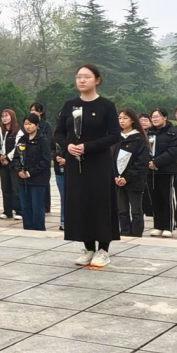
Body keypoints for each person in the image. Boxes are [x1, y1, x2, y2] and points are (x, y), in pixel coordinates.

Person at [56, 65, 123, 264]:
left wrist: (88, 147)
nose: (82, 80)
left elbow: (114, 135)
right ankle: (88, 247)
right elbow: (58, 133)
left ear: (97, 80)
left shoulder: (106, 106)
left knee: (100, 203)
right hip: (75, 163)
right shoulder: (70, 105)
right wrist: (68, 146)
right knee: (80, 203)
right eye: (79, 77)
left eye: (87, 77)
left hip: (99, 163)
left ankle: (103, 249)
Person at [114, 107, 149, 238]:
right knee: (121, 210)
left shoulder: (139, 138)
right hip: (118, 179)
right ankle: (124, 232)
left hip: (134, 179)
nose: (122, 121)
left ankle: (136, 233)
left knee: (136, 210)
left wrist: (127, 177)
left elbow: (141, 162)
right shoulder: (116, 137)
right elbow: (110, 158)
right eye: (119, 118)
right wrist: (115, 176)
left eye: (125, 118)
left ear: (133, 120)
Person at [146, 108, 177, 238]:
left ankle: (168, 226)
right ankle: (158, 226)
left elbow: (173, 151)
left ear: (165, 117)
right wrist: (149, 162)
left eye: (157, 116)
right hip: (151, 171)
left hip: (166, 170)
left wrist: (157, 162)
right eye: (152, 117)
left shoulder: (173, 133)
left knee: (167, 198)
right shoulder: (148, 133)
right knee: (155, 199)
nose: (154, 119)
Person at [16, 113, 51, 231]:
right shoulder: (22, 139)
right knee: (25, 206)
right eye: (25, 124)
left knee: (37, 207)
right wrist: (19, 170)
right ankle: (27, 228)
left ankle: (39, 229)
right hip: (23, 179)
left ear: (36, 125)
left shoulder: (42, 140)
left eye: (30, 124)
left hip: (38, 179)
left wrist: (30, 172)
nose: (27, 127)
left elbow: (45, 160)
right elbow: (16, 156)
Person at [30, 102, 54, 215]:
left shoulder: (46, 126)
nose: (33, 112)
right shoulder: (29, 124)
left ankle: (46, 206)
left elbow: (49, 141)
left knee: (44, 182)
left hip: (43, 157)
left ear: (41, 112)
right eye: (31, 110)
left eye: (35, 110)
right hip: (32, 158)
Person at [0, 109, 21, 220]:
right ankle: (7, 211)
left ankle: (19, 210)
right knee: (5, 188)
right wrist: (0, 156)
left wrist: (7, 158)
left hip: (13, 163)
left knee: (16, 188)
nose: (4, 118)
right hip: (2, 164)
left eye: (6, 116)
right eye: (3, 116)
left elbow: (18, 147)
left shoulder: (18, 131)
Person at [138, 112, 154, 217]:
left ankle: (151, 209)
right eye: (141, 121)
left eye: (146, 120)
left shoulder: (153, 133)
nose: (143, 122)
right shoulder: (136, 134)